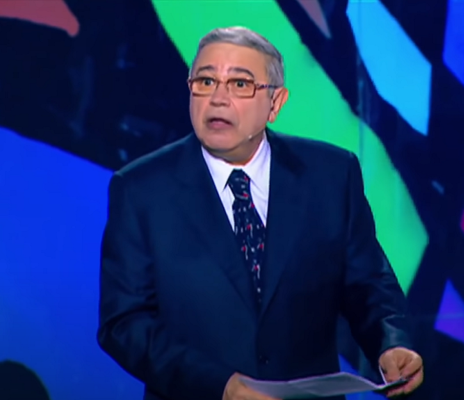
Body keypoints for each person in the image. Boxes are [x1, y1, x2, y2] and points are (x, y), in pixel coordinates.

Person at [97, 26, 423, 400]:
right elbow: (124, 322)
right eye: (205, 81)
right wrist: (221, 387)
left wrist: (391, 343)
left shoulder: (331, 175)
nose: (218, 99)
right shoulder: (141, 189)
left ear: (275, 103)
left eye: (240, 84)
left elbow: (368, 284)